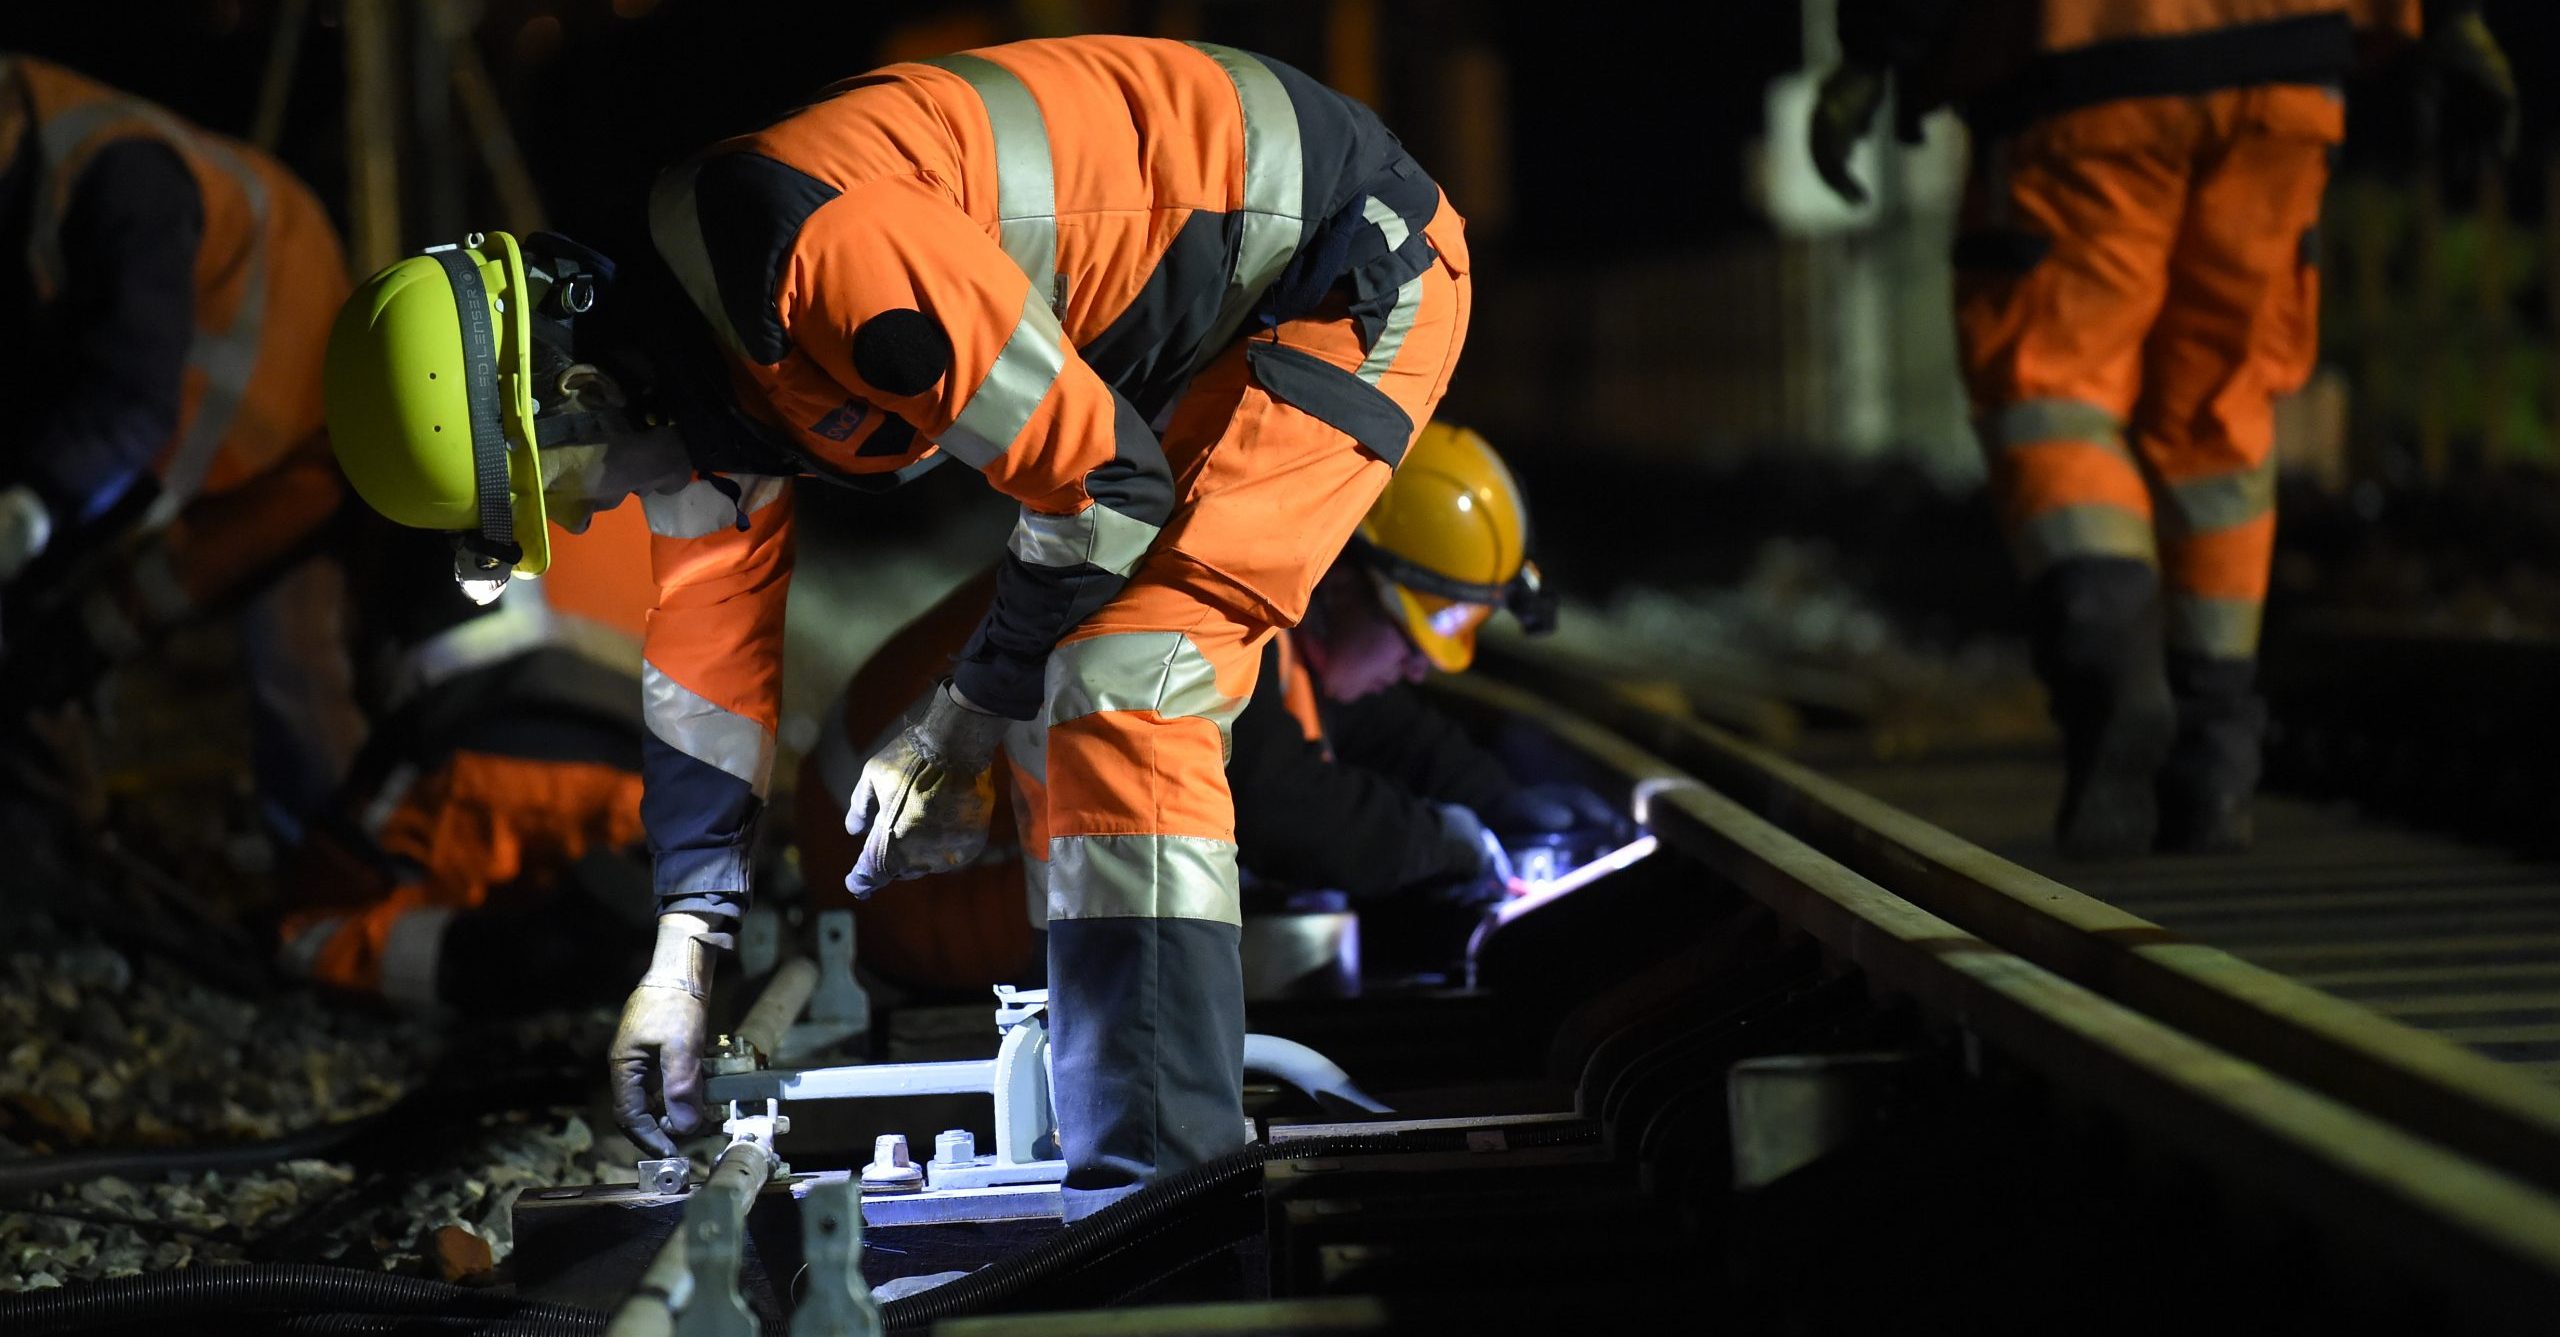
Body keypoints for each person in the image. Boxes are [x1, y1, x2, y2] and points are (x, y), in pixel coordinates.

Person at [321, 36, 1469, 1214]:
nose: (594, 508)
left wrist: (959, 722)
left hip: (1350, 265)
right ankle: (1143, 1146)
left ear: (570, 394)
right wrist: (682, 956)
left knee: (1132, 676)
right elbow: (709, 686)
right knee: (1084, 664)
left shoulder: (821, 261)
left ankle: (1160, 1197)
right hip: (1221, 310)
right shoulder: (699, 388)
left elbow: (1103, 484)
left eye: (560, 486)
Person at [1809, 1, 2514, 855]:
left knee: (2052, 391)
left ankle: (2114, 664)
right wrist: (2449, 22)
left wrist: (1872, 54)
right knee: (2221, 416)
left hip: (2080, 58)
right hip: (2287, 66)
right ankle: (2214, 751)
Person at [796, 423, 1609, 995]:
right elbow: (1283, 802)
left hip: (900, 855)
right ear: (1345, 575)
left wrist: (1502, 801)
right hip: (911, 887)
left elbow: (1379, 726)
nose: (1418, 669)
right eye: (1409, 636)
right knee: (1221, 887)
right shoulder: (1204, 598)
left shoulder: (1265, 591)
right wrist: (1454, 848)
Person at [0, 54, 360, 833]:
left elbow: (130, 406)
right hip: (186, 454)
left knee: (294, 681)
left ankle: (348, 896)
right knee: (52, 647)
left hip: (296, 426)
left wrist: (23, 516)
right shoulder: (34, 170)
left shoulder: (122, 180)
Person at [277, 510, 657, 1012]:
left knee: (307, 935)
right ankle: (593, 945)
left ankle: (513, 956)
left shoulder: (444, 441)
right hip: (645, 795)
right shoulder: (689, 459)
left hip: (476, 765)